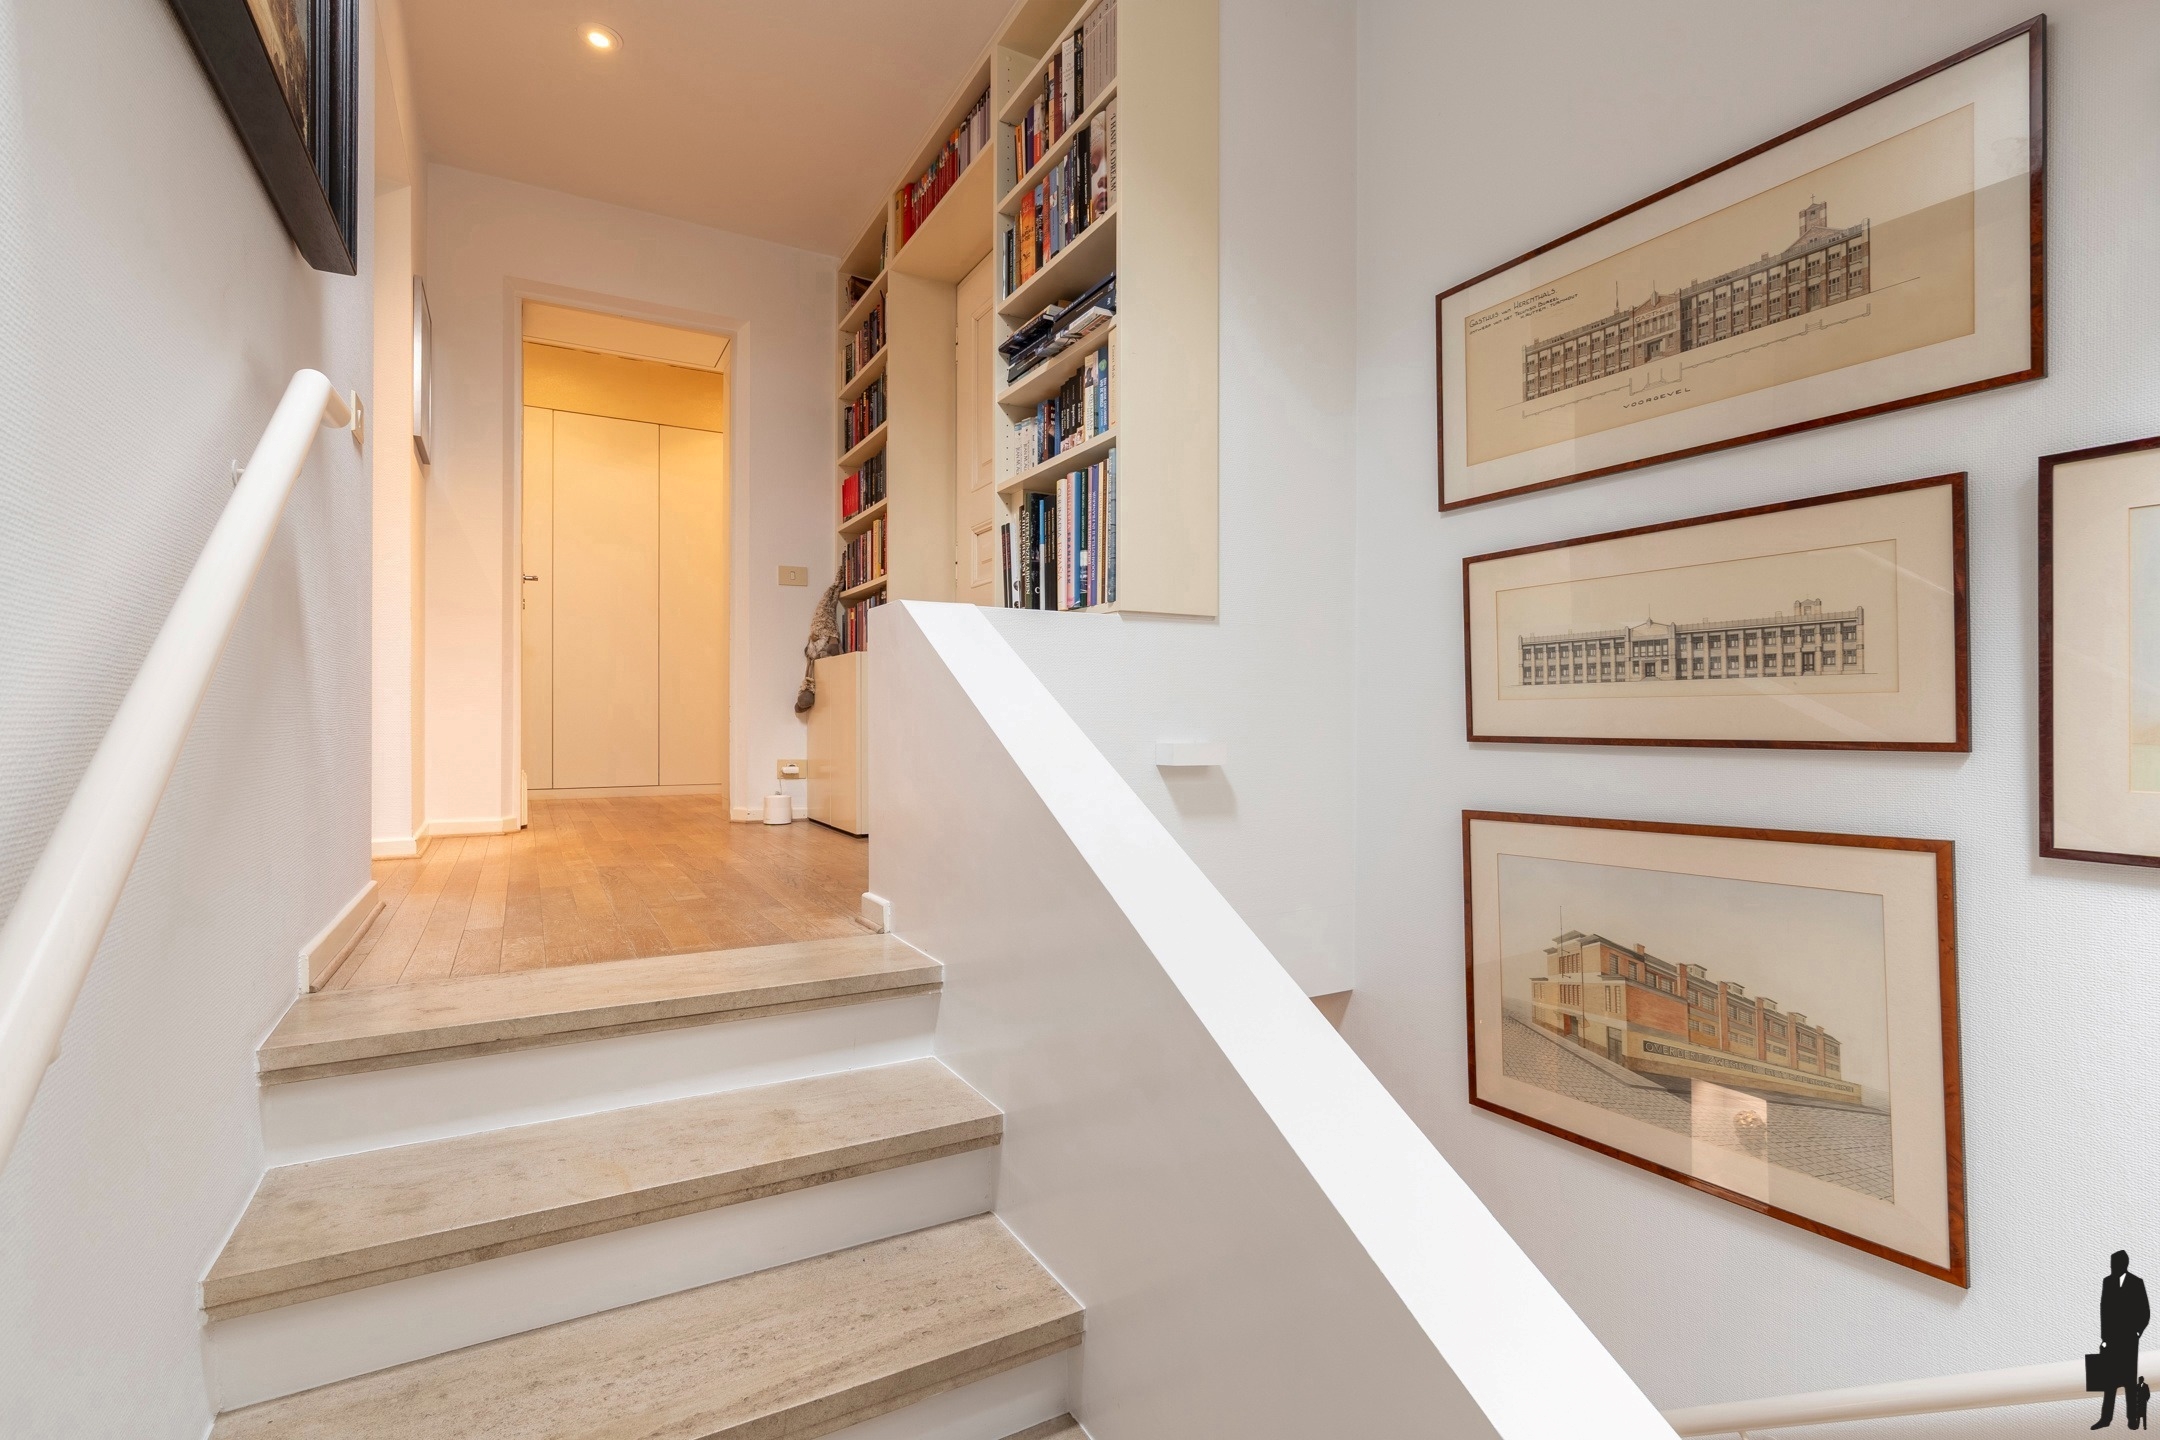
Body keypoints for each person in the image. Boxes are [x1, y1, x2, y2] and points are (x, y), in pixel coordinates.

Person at [2098, 1251, 2151, 1429]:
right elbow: (2104, 1310)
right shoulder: (2107, 1282)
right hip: (2112, 1340)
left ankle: (2132, 1418)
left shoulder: (2136, 1282)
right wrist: (2104, 1338)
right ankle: (2106, 1418)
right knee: (2109, 1381)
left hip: (2129, 1340)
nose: (2112, 1266)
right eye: (2111, 1263)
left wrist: (2137, 1332)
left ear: (2124, 1264)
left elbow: (2145, 1311)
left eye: (2115, 1263)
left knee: (2129, 1380)